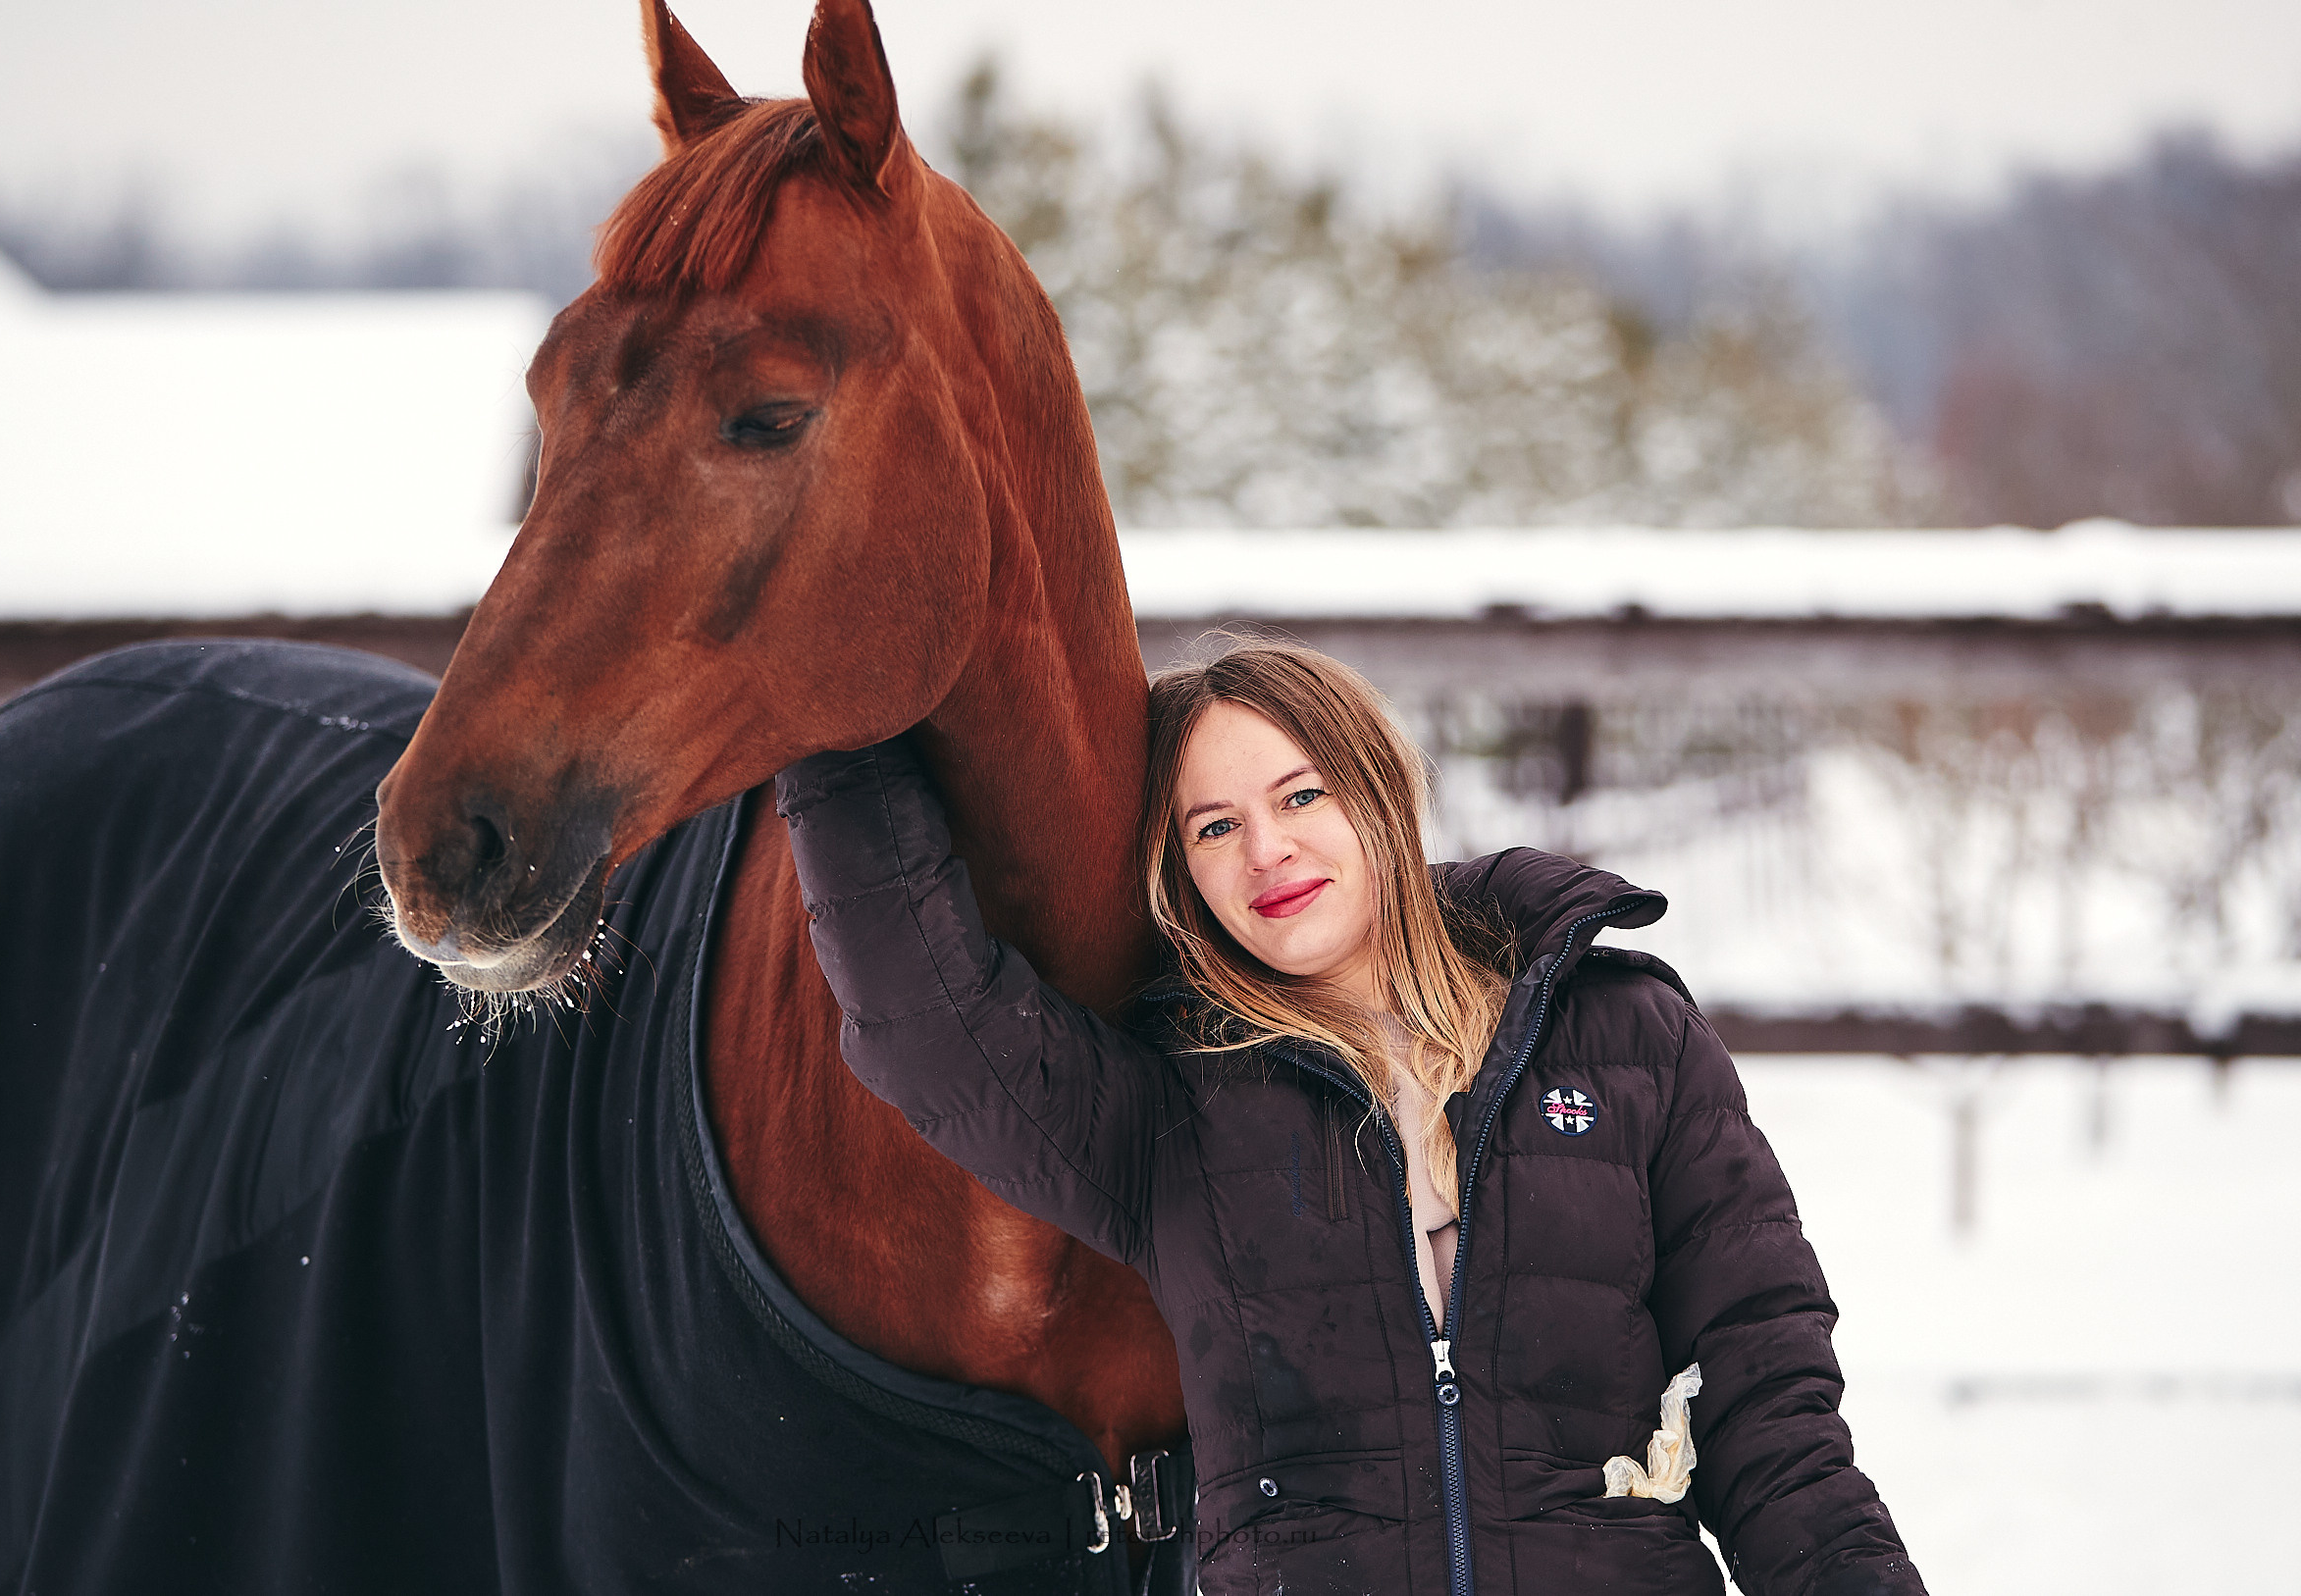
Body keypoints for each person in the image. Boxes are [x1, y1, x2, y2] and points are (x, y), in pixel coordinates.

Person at [774, 641, 1924, 1596]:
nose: (1265, 850)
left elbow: (1772, 1429)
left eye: (1299, 794)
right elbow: (930, 1020)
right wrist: (832, 709)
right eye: (1211, 827)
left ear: (1377, 792)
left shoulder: (1626, 1040)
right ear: (1179, 874)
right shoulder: (1175, 1110)